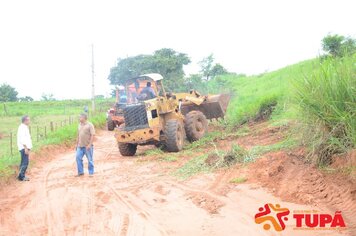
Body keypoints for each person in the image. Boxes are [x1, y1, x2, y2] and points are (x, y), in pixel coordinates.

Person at [17, 115, 32, 181]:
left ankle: (20, 175)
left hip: (24, 147)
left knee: (23, 161)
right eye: (28, 120)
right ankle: (21, 177)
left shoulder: (24, 127)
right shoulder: (22, 128)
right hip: (23, 148)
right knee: (25, 162)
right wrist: (26, 148)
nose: (29, 121)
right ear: (25, 120)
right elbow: (22, 139)